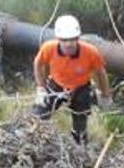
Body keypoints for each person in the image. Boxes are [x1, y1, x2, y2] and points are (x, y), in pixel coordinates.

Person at [32, 14, 112, 145]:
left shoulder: (90, 52)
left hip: (80, 88)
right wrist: (41, 88)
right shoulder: (49, 48)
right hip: (56, 85)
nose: (68, 44)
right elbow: (38, 63)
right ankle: (34, 140)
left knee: (80, 124)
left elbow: (101, 73)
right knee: (38, 114)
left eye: (72, 39)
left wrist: (106, 95)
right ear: (58, 38)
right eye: (64, 40)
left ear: (77, 38)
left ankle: (79, 145)